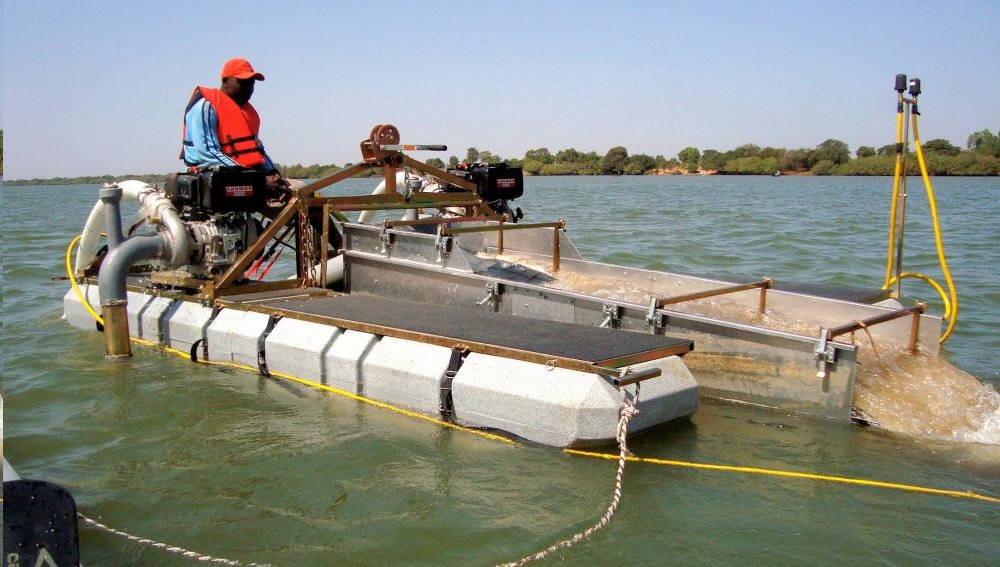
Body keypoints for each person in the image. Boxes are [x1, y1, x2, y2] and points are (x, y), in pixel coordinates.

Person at [180, 57, 287, 194]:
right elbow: (207, 154)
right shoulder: (206, 107)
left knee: (289, 188)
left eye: (252, 84)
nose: (249, 88)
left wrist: (272, 172)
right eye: (243, 82)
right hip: (213, 177)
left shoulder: (246, 112)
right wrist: (257, 180)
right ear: (225, 81)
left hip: (245, 177)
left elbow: (257, 150)